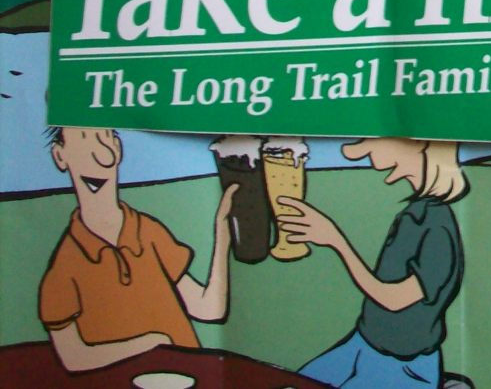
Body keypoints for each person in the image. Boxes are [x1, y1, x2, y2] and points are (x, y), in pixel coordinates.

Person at [38, 127, 236, 372]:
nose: (99, 155)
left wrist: (222, 231)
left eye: (104, 139)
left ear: (117, 149)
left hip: (188, 376)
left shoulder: (148, 232)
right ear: (60, 155)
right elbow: (74, 359)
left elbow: (208, 308)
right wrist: (150, 342)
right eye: (83, 140)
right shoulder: (65, 265)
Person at [278, 138, 466, 388]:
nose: (372, 160)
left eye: (374, 146)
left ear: (422, 147)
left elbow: (394, 300)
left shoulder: (436, 225)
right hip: (362, 343)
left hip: (405, 366)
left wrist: (335, 240)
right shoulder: (413, 214)